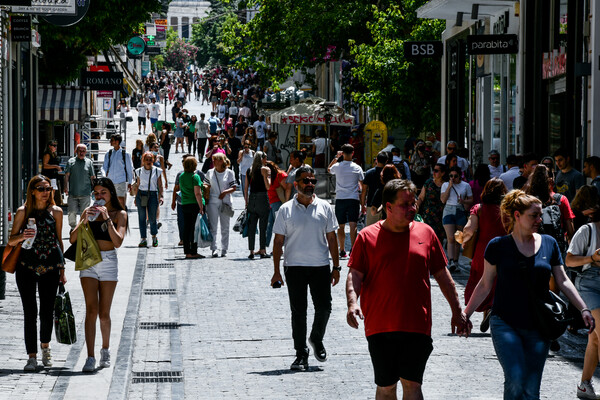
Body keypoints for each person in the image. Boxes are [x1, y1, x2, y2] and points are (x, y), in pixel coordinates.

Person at [464, 190, 594, 400]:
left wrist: (583, 308)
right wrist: (466, 314)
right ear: (516, 215)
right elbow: (485, 284)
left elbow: (563, 280)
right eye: (534, 215)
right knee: (515, 378)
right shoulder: (498, 246)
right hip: (505, 322)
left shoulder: (549, 243)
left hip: (539, 324)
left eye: (540, 215)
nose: (539, 220)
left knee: (532, 390)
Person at [346, 179, 468, 399]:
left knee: (412, 384)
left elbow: (443, 275)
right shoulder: (366, 236)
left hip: (417, 324)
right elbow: (355, 274)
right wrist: (353, 303)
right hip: (380, 326)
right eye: (405, 204)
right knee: (386, 387)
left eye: (413, 203)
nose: (412, 208)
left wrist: (457, 311)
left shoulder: (426, 233)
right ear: (389, 207)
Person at [270, 165, 340, 370]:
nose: (310, 184)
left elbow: (332, 239)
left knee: (325, 307)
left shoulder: (325, 207)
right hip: (294, 267)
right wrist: (276, 271)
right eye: (305, 181)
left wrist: (336, 267)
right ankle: (301, 353)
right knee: (299, 311)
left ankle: (316, 338)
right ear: (296, 184)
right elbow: (277, 242)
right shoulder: (285, 210)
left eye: (312, 181)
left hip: (320, 266)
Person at [69, 178, 127, 372]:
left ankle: (105, 349)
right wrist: (85, 218)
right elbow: (72, 238)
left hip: (109, 262)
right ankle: (90, 357)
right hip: (89, 262)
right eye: (97, 193)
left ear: (111, 193)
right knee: (91, 311)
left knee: (104, 314)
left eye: (103, 192)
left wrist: (107, 219)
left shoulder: (120, 214)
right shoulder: (88, 212)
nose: (100, 196)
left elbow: (118, 242)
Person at [9, 175, 65, 372]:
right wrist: (22, 236)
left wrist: (62, 269)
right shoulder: (23, 212)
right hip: (26, 267)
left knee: (47, 310)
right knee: (30, 312)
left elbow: (58, 240)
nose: (45, 192)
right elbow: (11, 241)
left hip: (50, 268)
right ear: (32, 191)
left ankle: (45, 347)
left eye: (48, 188)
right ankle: (31, 356)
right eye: (41, 188)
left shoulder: (56, 212)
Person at [458, 178, 507, 332]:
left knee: (483, 280)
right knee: (499, 281)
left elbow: (469, 229)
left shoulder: (479, 208)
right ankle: (492, 309)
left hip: (483, 250)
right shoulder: (508, 210)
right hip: (504, 248)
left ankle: (487, 309)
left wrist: (463, 240)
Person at [565, 207, 600, 399]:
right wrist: (592, 258)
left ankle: (585, 385)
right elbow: (569, 261)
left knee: (595, 339)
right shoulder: (587, 230)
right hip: (589, 284)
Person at [328, 144, 365, 258]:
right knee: (353, 224)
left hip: (340, 198)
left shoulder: (337, 166)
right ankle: (353, 249)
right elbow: (362, 183)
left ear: (342, 153)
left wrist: (336, 157)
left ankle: (342, 250)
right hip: (353, 198)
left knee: (341, 225)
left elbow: (329, 169)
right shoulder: (357, 167)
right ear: (353, 153)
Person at [441, 166, 473, 271]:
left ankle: (456, 262)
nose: (453, 178)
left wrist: (463, 201)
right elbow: (443, 200)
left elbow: (471, 200)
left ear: (460, 176)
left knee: (458, 239)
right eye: (451, 176)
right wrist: (449, 186)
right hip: (448, 210)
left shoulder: (466, 185)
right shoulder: (445, 185)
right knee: (450, 237)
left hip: (460, 211)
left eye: (455, 176)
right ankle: (450, 261)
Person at [204, 153, 236, 258]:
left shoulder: (229, 173)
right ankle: (214, 248)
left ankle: (224, 249)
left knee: (225, 226)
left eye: (216, 160)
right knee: (213, 226)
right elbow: (206, 184)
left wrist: (225, 192)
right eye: (213, 160)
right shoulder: (210, 172)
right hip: (213, 202)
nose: (214, 162)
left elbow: (234, 187)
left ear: (222, 161)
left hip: (225, 202)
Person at [133, 152, 164, 248]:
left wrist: (161, 196)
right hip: (141, 194)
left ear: (153, 160)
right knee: (141, 217)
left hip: (153, 195)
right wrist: (135, 197)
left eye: (150, 159)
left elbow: (160, 185)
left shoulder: (157, 171)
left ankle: (154, 236)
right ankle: (143, 239)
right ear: (143, 160)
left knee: (152, 217)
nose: (148, 161)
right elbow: (138, 185)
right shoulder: (138, 171)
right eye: (146, 159)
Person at [244, 151, 271, 259]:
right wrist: (265, 176)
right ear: (262, 159)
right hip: (263, 198)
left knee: (251, 227)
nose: (267, 160)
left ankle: (251, 251)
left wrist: (246, 202)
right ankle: (263, 250)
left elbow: (245, 188)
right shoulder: (265, 169)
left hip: (252, 199)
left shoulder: (249, 170)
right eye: (266, 158)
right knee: (263, 226)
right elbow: (268, 186)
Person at [178, 156, 205, 259]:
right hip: (194, 204)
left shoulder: (182, 176)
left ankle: (187, 251)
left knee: (187, 228)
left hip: (185, 204)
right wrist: (201, 207)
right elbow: (197, 193)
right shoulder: (195, 177)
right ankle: (193, 251)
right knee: (195, 229)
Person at [65, 144, 96, 232]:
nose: (81, 153)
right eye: (80, 151)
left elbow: (92, 177)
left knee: (85, 213)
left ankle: (82, 228)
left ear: (86, 152)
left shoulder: (89, 162)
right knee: (71, 212)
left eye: (83, 151)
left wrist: (94, 190)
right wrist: (65, 187)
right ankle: (73, 228)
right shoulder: (71, 161)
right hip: (72, 192)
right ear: (76, 151)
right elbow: (66, 176)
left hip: (85, 193)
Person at [417, 163, 447, 243]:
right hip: (428, 215)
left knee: (438, 240)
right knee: (427, 237)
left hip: (441, 216)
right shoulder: (428, 182)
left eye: (436, 171)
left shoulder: (446, 185)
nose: (434, 172)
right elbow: (421, 197)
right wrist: (416, 206)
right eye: (433, 170)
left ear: (443, 173)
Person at [101, 134, 134, 208]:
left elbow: (129, 169)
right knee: (110, 202)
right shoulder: (108, 153)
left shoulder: (125, 154)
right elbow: (104, 167)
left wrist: (130, 182)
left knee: (121, 202)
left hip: (121, 181)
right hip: (110, 182)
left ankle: (122, 218)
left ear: (117, 141)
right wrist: (104, 176)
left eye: (112, 140)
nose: (110, 142)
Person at [265, 161, 289, 248]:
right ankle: (264, 246)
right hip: (271, 203)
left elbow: (287, 188)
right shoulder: (267, 176)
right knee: (270, 225)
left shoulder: (280, 175)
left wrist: (286, 202)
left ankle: (281, 247)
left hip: (278, 203)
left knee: (279, 226)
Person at [361, 152, 387, 226]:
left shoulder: (369, 173)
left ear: (376, 160)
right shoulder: (388, 172)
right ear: (386, 161)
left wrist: (362, 204)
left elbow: (364, 190)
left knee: (371, 230)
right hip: (386, 205)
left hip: (371, 204)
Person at [41, 140, 63, 206]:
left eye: (56, 146)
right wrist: (56, 166)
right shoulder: (47, 154)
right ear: (49, 146)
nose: (55, 147)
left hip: (53, 176)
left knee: (53, 191)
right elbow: (45, 165)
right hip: (49, 176)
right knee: (50, 191)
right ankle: (49, 204)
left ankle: (50, 204)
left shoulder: (53, 154)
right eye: (54, 146)